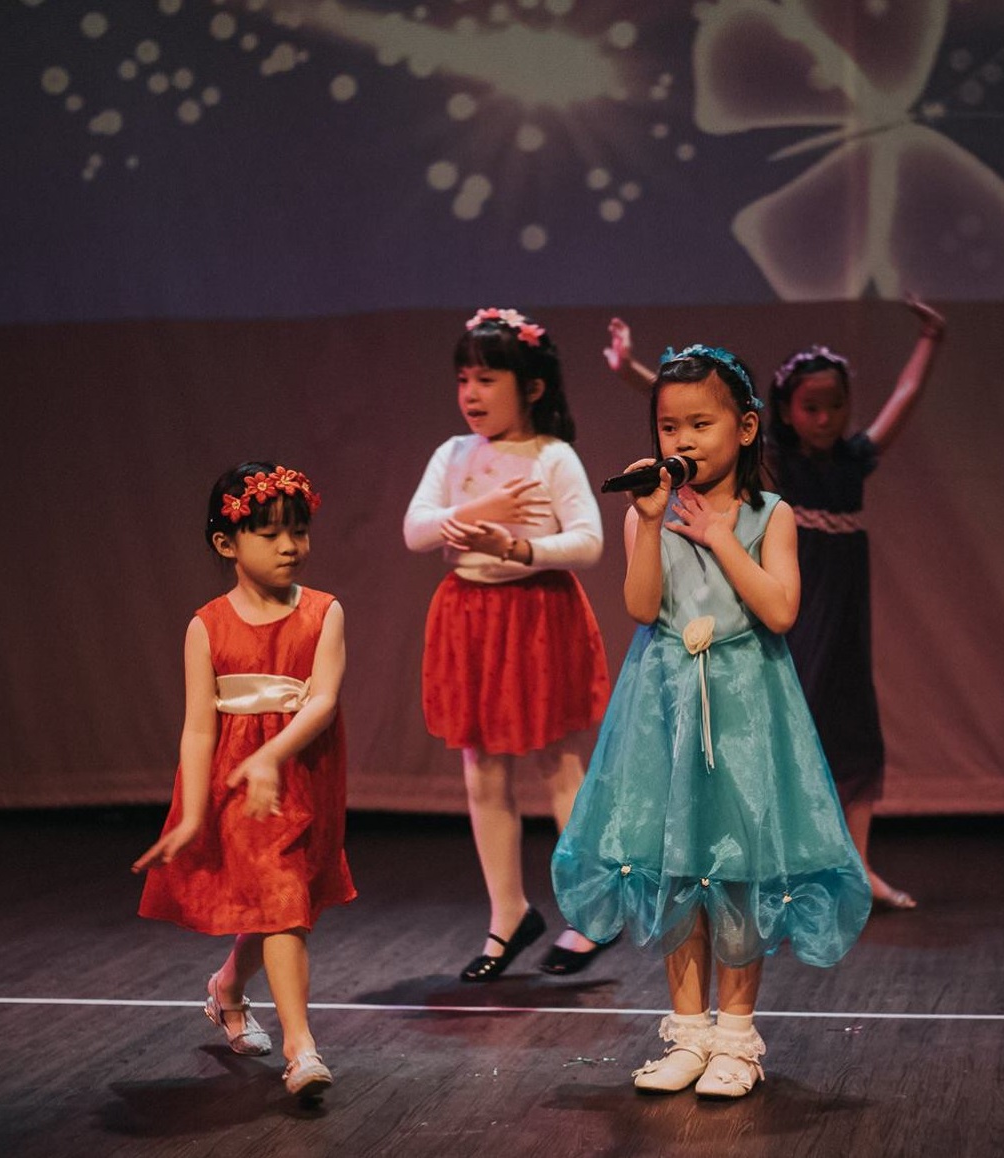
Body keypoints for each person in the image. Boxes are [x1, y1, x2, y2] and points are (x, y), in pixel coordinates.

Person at [552, 345, 870, 1099]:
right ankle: (687, 1033)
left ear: (746, 427)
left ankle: (735, 1038)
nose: (683, 440)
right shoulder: (649, 515)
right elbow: (641, 607)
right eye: (669, 427)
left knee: (734, 868)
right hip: (664, 704)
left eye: (701, 423)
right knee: (675, 866)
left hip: (744, 709)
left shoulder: (770, 514)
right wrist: (649, 524)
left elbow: (780, 610)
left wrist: (721, 538)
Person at [604, 300, 945, 910]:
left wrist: (931, 340)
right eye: (811, 406)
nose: (825, 418)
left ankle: (855, 862)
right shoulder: (768, 469)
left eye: (835, 405)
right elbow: (697, 412)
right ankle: (775, 862)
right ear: (782, 412)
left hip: (831, 603)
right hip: (764, 614)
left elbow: (905, 396)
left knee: (850, 724)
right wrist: (633, 369)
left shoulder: (835, 471)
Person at [134, 462, 355, 1101]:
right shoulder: (206, 626)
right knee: (281, 899)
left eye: (299, 531)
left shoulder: (323, 612)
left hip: (300, 774)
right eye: (270, 533)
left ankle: (228, 987)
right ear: (226, 543)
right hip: (237, 782)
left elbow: (322, 702)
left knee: (281, 900)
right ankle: (300, 1048)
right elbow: (198, 729)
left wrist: (273, 756)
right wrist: (192, 814)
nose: (290, 546)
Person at [404, 307, 612, 981]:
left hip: (536, 614)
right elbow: (416, 530)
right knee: (483, 771)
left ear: (532, 387)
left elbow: (589, 541)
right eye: (463, 378)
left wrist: (518, 548)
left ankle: (590, 912)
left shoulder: (552, 456)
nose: (470, 393)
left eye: (486, 379)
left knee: (558, 764)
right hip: (469, 615)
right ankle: (508, 914)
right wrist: (478, 513)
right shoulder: (452, 454)